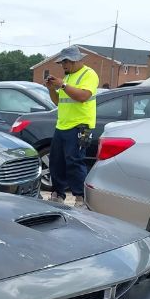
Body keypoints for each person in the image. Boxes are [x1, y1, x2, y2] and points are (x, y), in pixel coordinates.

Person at [44, 46, 99, 207]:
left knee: (75, 162)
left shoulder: (89, 74)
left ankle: (80, 198)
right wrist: (51, 89)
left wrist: (62, 85)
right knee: (56, 162)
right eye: (61, 62)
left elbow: (83, 96)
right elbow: (58, 101)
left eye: (65, 61)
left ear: (76, 60)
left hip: (79, 126)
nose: (63, 65)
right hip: (62, 125)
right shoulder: (67, 78)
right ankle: (58, 194)